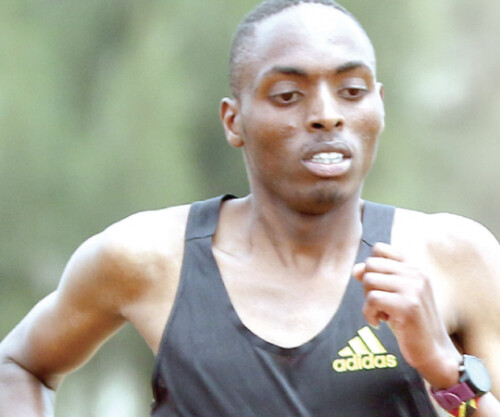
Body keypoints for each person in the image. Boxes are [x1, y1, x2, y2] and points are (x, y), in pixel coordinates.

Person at [1, 0, 499, 415]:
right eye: (288, 95)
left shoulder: (453, 258)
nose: (327, 115)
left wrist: (444, 369)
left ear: (379, 106)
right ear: (233, 121)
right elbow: (19, 367)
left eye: (352, 91)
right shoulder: (147, 260)